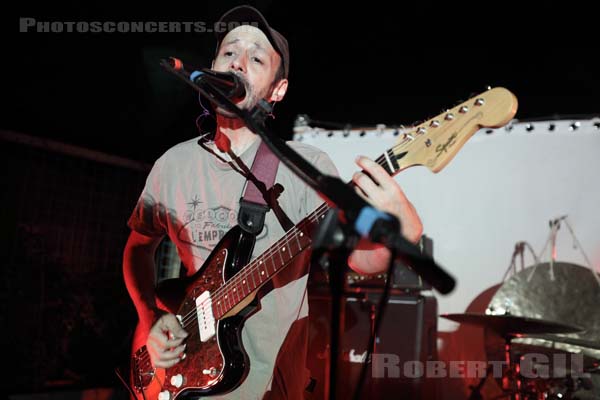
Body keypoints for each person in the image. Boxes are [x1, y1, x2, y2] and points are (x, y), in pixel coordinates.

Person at [122, 5, 423, 399]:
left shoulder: (306, 167)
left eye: (257, 57)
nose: (239, 63)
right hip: (179, 378)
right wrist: (150, 316)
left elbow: (361, 260)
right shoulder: (173, 164)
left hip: (269, 387)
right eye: (229, 52)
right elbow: (137, 250)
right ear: (211, 68)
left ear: (277, 90)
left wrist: (402, 228)